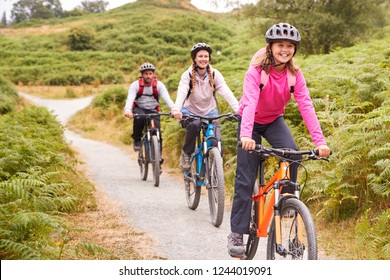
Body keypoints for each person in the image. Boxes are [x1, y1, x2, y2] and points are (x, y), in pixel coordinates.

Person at [227, 23, 331, 257]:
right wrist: (245, 135)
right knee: (245, 177)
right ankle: (237, 232)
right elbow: (250, 101)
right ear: (270, 47)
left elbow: (306, 106)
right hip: (250, 121)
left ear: (294, 49)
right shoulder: (256, 72)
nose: (285, 50)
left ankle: (286, 204)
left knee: (292, 154)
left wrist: (320, 141)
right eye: (280, 45)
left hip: (274, 120)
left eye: (289, 46)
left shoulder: (294, 74)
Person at [171, 42, 239, 170]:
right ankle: (186, 153)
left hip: (209, 111)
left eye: (206, 56)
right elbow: (182, 91)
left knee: (215, 142)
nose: (203, 59)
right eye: (200, 56)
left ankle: (214, 172)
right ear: (195, 59)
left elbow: (226, 92)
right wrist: (176, 109)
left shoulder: (215, 74)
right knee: (195, 125)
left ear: (209, 58)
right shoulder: (188, 75)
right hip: (190, 111)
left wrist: (239, 110)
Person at [124, 62, 175, 157]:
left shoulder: (159, 85)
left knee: (158, 133)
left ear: (153, 74)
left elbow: (167, 99)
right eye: (146, 74)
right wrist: (128, 110)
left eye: (150, 73)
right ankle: (137, 139)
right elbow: (130, 98)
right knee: (139, 118)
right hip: (140, 108)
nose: (148, 76)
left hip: (153, 109)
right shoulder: (135, 85)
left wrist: (174, 110)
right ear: (142, 75)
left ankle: (158, 159)